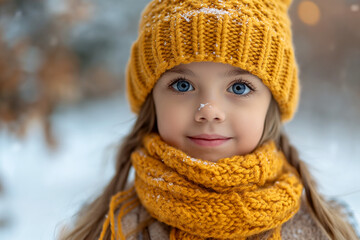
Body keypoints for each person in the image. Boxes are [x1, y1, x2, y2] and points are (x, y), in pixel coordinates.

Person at [59, 0, 359, 239]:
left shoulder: (322, 231)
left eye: (239, 87)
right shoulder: (108, 228)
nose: (208, 110)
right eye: (182, 85)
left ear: (271, 105)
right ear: (153, 101)